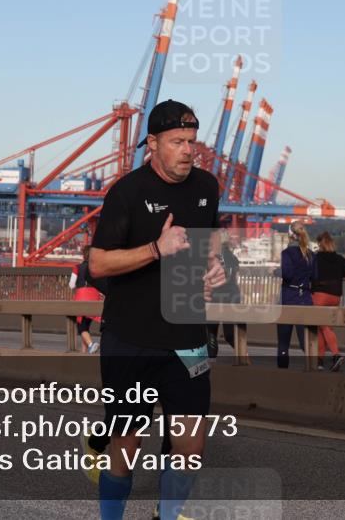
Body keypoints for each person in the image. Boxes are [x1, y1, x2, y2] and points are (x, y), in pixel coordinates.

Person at [88, 99, 224, 520]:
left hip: (186, 335)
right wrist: (154, 249)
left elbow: (209, 239)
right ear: (153, 143)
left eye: (192, 141)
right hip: (130, 337)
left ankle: (166, 515)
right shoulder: (127, 192)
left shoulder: (207, 187)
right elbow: (98, 264)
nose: (188, 150)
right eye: (178, 141)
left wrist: (212, 266)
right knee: (125, 449)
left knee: (191, 445)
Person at [312, 232, 345, 371]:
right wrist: (337, 279)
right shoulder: (339, 258)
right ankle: (319, 360)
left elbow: (308, 274)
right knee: (324, 326)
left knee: (323, 327)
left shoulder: (316, 258)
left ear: (319, 244)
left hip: (320, 294)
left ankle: (336, 355)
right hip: (335, 295)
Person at [277, 221, 314, 369]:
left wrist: (276, 272)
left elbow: (287, 273)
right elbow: (315, 275)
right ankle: (314, 366)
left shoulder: (287, 253)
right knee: (305, 340)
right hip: (305, 297)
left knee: (284, 341)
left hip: (289, 297)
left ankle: (282, 371)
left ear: (290, 235)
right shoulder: (310, 254)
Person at [206, 236, 241, 358]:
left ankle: (212, 358)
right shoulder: (231, 256)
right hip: (231, 297)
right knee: (229, 332)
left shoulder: (215, 256)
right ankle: (243, 354)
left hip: (216, 297)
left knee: (211, 331)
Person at [71, 245, 106, 354]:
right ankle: (84, 353)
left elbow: (71, 284)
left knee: (81, 327)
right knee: (86, 326)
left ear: (83, 255)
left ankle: (91, 345)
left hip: (82, 297)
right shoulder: (96, 268)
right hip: (94, 297)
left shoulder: (77, 267)